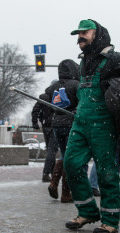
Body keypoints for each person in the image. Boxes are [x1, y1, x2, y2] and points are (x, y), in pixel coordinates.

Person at [64, 19, 120, 233]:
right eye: (78, 34)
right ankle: (87, 211)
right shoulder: (84, 61)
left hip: (104, 125)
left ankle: (110, 220)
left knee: (106, 172)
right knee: (71, 163)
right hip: (81, 122)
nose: (80, 37)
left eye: (85, 32)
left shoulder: (114, 59)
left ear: (98, 34)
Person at [45, 60, 79, 203]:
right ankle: (66, 192)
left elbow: (47, 96)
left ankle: (54, 183)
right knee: (69, 156)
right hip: (71, 123)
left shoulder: (53, 87)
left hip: (57, 124)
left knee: (63, 154)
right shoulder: (76, 85)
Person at [31, 92, 57, 182]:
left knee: (50, 150)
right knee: (52, 150)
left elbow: (35, 110)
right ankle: (46, 174)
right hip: (56, 125)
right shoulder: (59, 94)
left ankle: (53, 173)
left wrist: (35, 122)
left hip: (46, 126)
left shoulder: (43, 97)